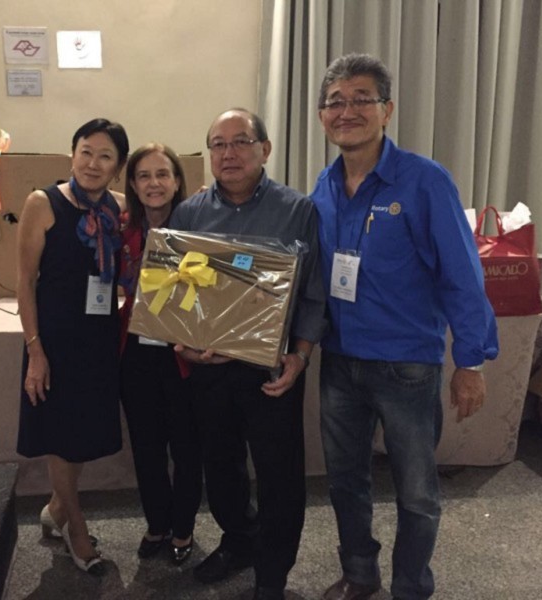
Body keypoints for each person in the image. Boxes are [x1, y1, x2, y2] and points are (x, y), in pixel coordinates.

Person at [310, 53, 499, 600]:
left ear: (387, 110)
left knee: (416, 492)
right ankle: (360, 574)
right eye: (336, 102)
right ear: (322, 116)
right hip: (340, 361)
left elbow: (462, 275)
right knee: (345, 483)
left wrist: (470, 361)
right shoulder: (323, 187)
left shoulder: (424, 181)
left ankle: (412, 587)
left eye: (361, 99)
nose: (347, 111)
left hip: (407, 366)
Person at [169, 109, 328, 600]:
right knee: (220, 467)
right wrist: (182, 343)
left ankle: (272, 573)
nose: (228, 153)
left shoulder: (298, 210)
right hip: (209, 368)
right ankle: (239, 540)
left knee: (279, 474)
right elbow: (174, 291)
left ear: (265, 149)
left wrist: (300, 356)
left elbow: (314, 293)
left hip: (272, 368)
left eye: (240, 141)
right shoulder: (189, 213)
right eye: (218, 144)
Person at [16, 117, 129, 576]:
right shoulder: (43, 203)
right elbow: (25, 282)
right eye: (86, 151)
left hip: (99, 340)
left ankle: (56, 509)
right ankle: (75, 527)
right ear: (72, 154)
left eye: (105, 156)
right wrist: (35, 351)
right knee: (60, 436)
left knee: (80, 435)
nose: (93, 163)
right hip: (55, 341)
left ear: (118, 167)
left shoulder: (120, 209)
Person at [118, 143, 203, 565]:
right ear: (133, 185)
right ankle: (157, 524)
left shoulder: (198, 228)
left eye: (162, 174)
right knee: (147, 448)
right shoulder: (121, 230)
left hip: (184, 355)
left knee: (187, 449)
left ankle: (183, 529)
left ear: (177, 181)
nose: (154, 183)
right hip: (135, 353)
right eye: (144, 176)